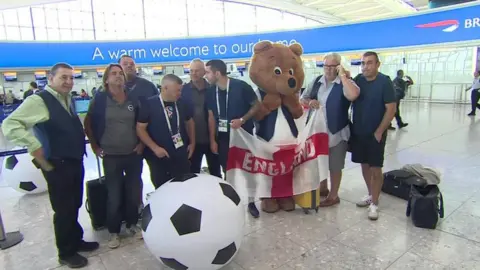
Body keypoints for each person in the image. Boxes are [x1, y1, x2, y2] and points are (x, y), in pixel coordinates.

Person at [1, 63, 98, 268]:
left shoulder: (66, 98)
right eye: (64, 77)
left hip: (74, 160)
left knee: (74, 204)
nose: (69, 82)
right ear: (51, 78)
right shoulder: (39, 100)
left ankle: (76, 239)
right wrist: (33, 144)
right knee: (63, 209)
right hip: (57, 164)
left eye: (71, 78)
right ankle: (66, 252)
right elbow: (10, 124)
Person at [84, 64, 144, 249]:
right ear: (107, 79)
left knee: (134, 192)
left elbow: (141, 122)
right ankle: (114, 232)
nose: (118, 77)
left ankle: (132, 224)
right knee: (114, 195)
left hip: (133, 154)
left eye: (121, 74)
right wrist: (94, 145)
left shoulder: (133, 98)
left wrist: (141, 143)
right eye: (114, 74)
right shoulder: (100, 100)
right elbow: (88, 123)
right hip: (111, 155)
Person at [300, 52, 360, 207]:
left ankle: (334, 195)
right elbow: (302, 98)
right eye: (325, 65)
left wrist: (344, 77)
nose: (328, 69)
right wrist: (309, 102)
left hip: (337, 132)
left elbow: (353, 95)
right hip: (318, 131)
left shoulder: (345, 83)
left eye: (332, 66)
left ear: (339, 66)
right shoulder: (316, 82)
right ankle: (323, 187)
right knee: (320, 161)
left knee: (335, 165)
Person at [204, 59, 261, 218]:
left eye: (207, 72)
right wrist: (212, 140)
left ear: (217, 73)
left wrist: (243, 119)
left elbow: (257, 105)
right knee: (227, 170)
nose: (205, 75)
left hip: (244, 136)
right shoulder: (210, 92)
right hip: (223, 138)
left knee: (248, 170)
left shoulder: (241, 86)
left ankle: (251, 202)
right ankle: (231, 202)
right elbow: (210, 116)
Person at [350, 51, 397, 221]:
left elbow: (391, 108)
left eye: (369, 63)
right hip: (359, 132)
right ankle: (370, 194)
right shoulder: (358, 80)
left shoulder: (385, 82)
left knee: (375, 168)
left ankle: (375, 203)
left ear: (378, 64)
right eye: (363, 63)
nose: (365, 66)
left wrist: (379, 131)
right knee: (364, 165)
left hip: (375, 133)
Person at [136, 74, 195, 189]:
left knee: (184, 186)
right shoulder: (149, 104)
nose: (179, 93)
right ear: (165, 88)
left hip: (180, 153)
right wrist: (154, 148)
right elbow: (140, 128)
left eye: (180, 90)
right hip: (158, 156)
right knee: (162, 187)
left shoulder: (181, 103)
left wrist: (192, 142)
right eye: (176, 90)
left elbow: (190, 122)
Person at [181, 58, 221, 177]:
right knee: (193, 173)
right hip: (192, 140)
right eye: (191, 70)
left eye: (197, 71)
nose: (193, 73)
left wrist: (214, 139)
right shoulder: (183, 91)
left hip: (212, 139)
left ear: (204, 72)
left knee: (216, 172)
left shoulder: (213, 89)